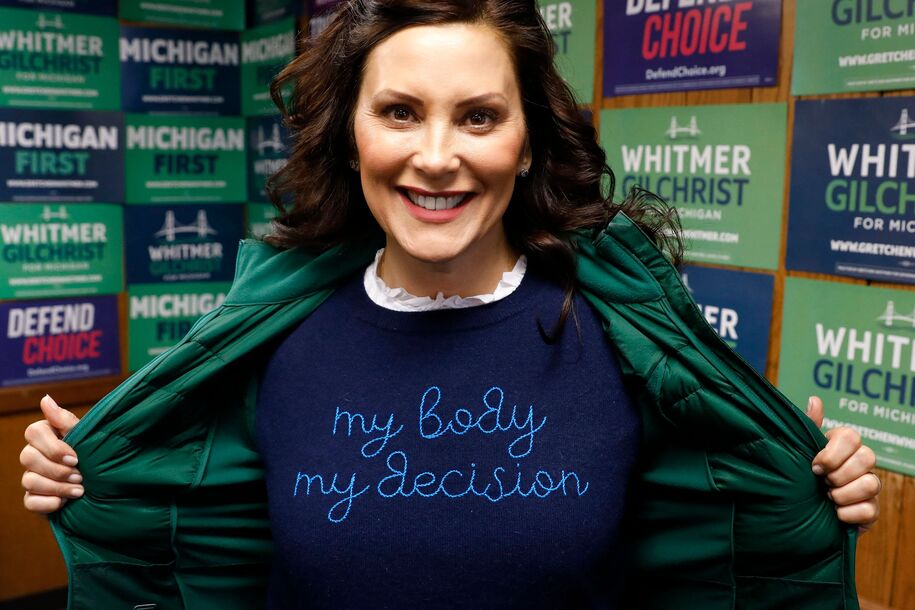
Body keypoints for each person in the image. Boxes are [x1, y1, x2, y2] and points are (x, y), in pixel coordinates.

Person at [20, 1, 880, 608]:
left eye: (477, 117)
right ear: (350, 135)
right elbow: (181, 528)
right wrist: (76, 471)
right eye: (398, 112)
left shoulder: (623, 340)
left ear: (528, 142)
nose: (436, 157)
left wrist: (817, 485)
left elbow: (725, 528)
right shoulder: (268, 344)